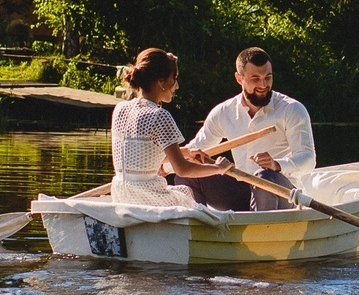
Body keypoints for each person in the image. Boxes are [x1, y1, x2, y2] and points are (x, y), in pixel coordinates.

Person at [180, 47, 317, 213]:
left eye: (268, 77)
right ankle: (199, 227)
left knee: (265, 176)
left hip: (282, 193)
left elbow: (308, 160)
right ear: (239, 78)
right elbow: (196, 149)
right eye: (255, 79)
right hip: (242, 191)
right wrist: (166, 165)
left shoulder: (292, 109)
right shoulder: (224, 112)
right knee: (186, 171)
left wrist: (276, 165)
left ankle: (263, 233)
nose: (263, 85)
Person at [109, 48, 230, 209]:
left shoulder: (120, 109)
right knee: (186, 193)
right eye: (174, 78)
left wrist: (186, 152)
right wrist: (218, 168)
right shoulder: (159, 115)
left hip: (121, 194)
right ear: (161, 81)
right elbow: (183, 170)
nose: (177, 86)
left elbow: (143, 156)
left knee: (182, 190)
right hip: (146, 196)